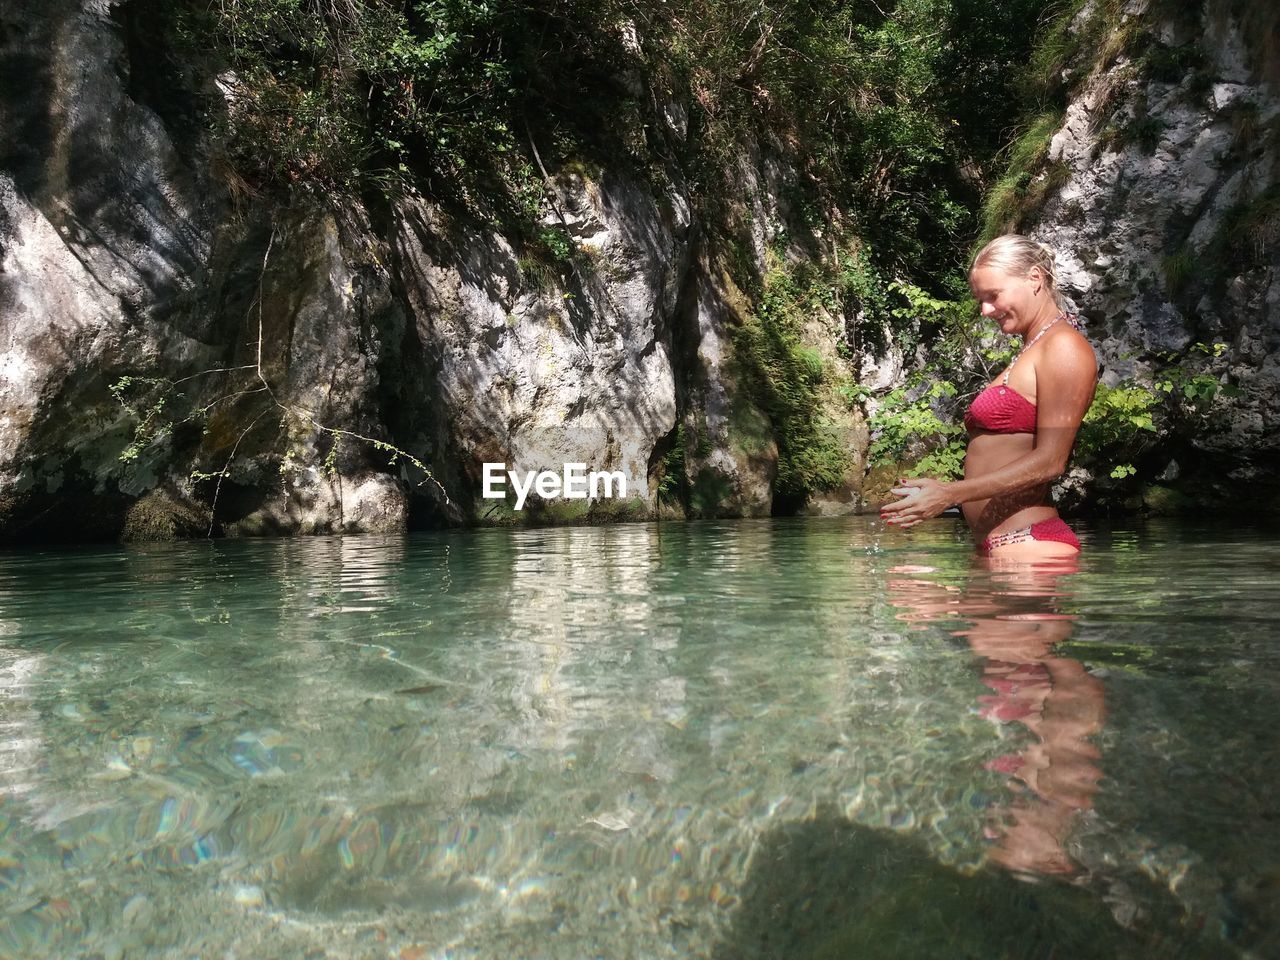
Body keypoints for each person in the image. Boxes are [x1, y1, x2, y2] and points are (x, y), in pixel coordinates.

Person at [879, 235, 1097, 556]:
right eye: (981, 299)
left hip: (1029, 546)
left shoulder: (1063, 347)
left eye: (993, 296)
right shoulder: (1033, 349)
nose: (985, 310)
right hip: (1001, 547)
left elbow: (1051, 462)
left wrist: (951, 494)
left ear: (1034, 278)